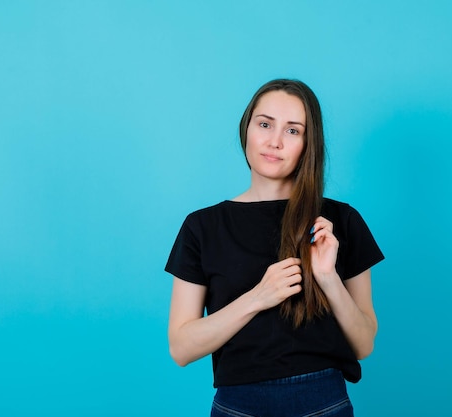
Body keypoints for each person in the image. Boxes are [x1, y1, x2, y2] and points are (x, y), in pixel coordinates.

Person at [165, 79, 384, 417]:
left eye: (293, 131)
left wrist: (327, 278)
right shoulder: (202, 227)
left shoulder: (341, 221)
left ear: (308, 143)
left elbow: (364, 344)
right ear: (247, 128)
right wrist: (258, 297)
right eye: (265, 124)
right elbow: (181, 347)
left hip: (324, 404)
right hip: (238, 406)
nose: (275, 141)